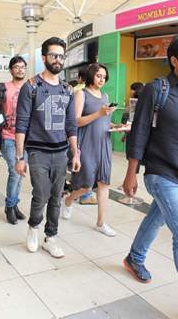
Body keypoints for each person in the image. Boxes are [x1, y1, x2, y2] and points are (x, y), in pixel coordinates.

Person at [122, 35, 178, 284]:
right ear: (174, 60)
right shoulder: (157, 89)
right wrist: (131, 173)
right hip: (160, 171)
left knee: (157, 216)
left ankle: (135, 258)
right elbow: (139, 132)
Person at [15, 37, 80, 258]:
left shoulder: (68, 90)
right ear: (44, 58)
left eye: (61, 56)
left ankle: (50, 237)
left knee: (56, 197)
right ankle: (34, 228)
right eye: (53, 55)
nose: (58, 60)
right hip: (37, 152)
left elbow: (72, 126)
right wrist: (19, 157)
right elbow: (21, 123)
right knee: (41, 194)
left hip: (61, 153)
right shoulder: (31, 87)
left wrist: (75, 153)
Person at [62, 63, 116, 237]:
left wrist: (118, 126)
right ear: (92, 75)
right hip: (86, 144)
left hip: (104, 143)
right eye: (99, 75)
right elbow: (76, 121)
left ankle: (101, 223)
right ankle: (69, 200)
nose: (102, 79)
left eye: (104, 76)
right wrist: (99, 114)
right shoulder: (81, 94)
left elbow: (104, 122)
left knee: (104, 183)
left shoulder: (105, 95)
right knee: (86, 186)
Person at [0, 56, 27, 225]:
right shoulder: (3, 88)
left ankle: (14, 205)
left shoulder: (30, 88)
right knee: (15, 171)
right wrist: (2, 123)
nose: (20, 69)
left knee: (20, 173)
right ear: (11, 70)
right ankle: (9, 206)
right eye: (16, 67)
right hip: (8, 137)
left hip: (26, 138)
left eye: (22, 67)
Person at [74, 66, 97, 205]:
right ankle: (84, 194)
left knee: (80, 164)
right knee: (85, 165)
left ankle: (78, 192)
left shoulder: (75, 89)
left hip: (76, 134)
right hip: (83, 133)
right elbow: (77, 118)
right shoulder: (81, 92)